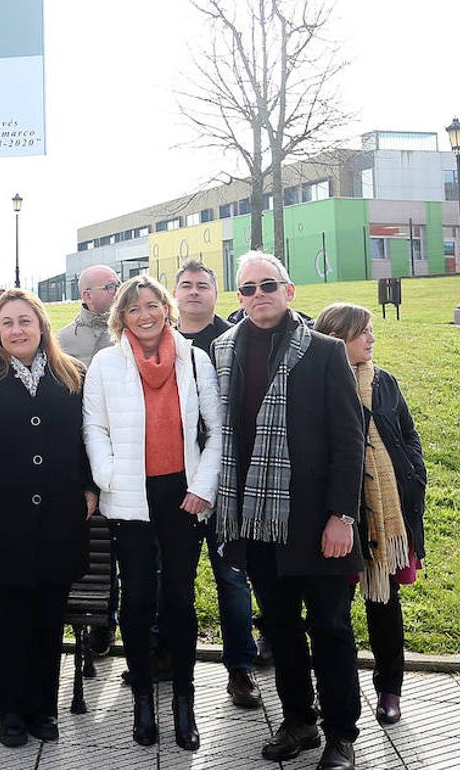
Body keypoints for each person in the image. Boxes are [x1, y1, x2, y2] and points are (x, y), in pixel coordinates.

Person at [212, 252, 364, 770]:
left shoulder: (324, 352)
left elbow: (350, 440)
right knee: (279, 628)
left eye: (268, 285)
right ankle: (299, 720)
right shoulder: (223, 349)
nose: (259, 295)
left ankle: (342, 733)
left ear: (290, 290)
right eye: (248, 288)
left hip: (318, 521)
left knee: (331, 629)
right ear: (239, 298)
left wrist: (342, 516)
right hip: (257, 523)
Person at [0, 289, 95, 748]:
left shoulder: (73, 375)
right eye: (6, 322)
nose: (16, 330)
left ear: (42, 325)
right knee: (4, 620)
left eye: (24, 321)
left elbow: (86, 438)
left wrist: (88, 492)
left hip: (57, 519)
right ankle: (9, 710)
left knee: (47, 617)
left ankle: (42, 707)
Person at [83, 275, 222, 751]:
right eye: (134, 308)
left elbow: (217, 432)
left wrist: (203, 485)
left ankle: (184, 699)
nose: (145, 315)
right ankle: (143, 696)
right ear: (121, 317)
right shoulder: (105, 363)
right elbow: (93, 427)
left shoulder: (196, 360)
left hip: (183, 495)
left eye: (153, 305)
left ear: (166, 308)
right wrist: (109, 476)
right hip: (128, 495)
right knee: (138, 598)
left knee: (181, 598)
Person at [315, 302, 427, 727]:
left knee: (385, 602)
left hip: (388, 513)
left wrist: (414, 474)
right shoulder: (321, 382)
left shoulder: (384, 382)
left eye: (372, 330)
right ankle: (335, 693)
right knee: (333, 611)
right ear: (338, 336)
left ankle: (390, 690)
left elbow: (408, 432)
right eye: (363, 331)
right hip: (340, 514)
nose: (371, 338)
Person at [173, 261, 262, 709]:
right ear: (175, 294)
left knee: (231, 578)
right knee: (171, 576)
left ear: (216, 292)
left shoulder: (236, 341)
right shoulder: (158, 340)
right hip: (172, 483)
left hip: (228, 484)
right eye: (186, 285)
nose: (194, 292)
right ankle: (165, 654)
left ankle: (241, 668)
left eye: (202, 285)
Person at [58, 264, 120, 656]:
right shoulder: (62, 340)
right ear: (86, 295)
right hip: (75, 458)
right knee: (91, 544)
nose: (117, 290)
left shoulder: (130, 332)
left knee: (120, 547)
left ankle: (113, 618)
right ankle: (96, 620)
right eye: (109, 286)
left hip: (122, 454)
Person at [57, 265, 119, 367]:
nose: (118, 292)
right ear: (88, 296)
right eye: (111, 287)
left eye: (119, 286)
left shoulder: (129, 330)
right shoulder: (63, 340)